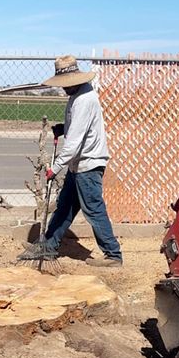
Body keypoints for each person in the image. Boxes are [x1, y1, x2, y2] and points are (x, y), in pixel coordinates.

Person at [19, 56, 122, 266]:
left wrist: (54, 169)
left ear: (75, 79)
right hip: (79, 163)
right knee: (65, 207)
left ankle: (113, 255)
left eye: (66, 85)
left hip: (88, 164)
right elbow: (78, 129)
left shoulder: (84, 100)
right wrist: (63, 128)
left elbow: (74, 142)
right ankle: (48, 245)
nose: (63, 89)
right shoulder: (78, 94)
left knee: (93, 209)